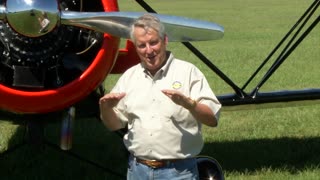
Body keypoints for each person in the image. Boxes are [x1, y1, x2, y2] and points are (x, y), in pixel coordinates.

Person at [99, 14, 221, 180]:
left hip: (179, 172)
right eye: (142, 45)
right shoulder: (129, 77)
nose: (149, 51)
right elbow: (114, 125)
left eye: (153, 42)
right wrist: (105, 108)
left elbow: (212, 119)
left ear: (165, 40)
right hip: (137, 170)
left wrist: (190, 105)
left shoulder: (188, 72)